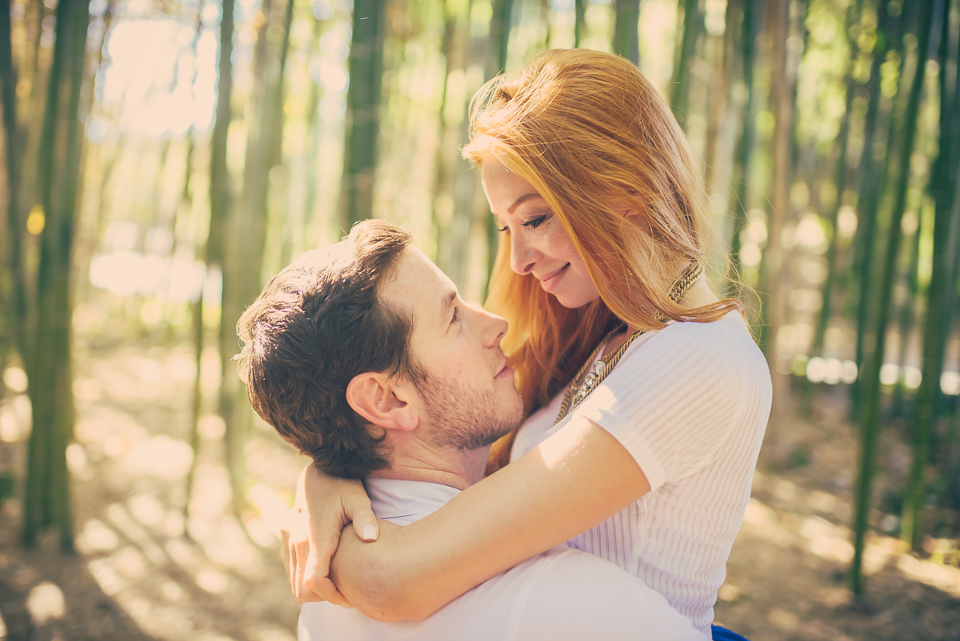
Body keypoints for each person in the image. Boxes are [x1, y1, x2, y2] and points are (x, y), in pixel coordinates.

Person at [286, 49, 772, 639]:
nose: (517, 260)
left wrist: (334, 530)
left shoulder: (699, 361)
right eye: (505, 227)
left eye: (536, 219)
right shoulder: (603, 333)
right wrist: (332, 472)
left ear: (627, 190)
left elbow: (397, 580)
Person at [236, 219, 705, 640]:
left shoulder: (322, 594)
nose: (497, 324)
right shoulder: (567, 601)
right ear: (387, 399)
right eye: (453, 318)